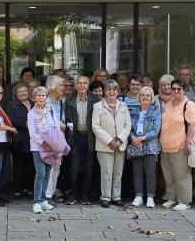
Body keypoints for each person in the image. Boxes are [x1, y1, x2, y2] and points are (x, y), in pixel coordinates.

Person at [159, 79, 195, 211]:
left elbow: (193, 125)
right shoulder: (168, 104)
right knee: (168, 175)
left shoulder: (189, 104)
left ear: (184, 90)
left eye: (179, 89)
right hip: (165, 145)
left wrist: (187, 143)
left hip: (181, 144)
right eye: (174, 88)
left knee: (182, 175)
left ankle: (184, 201)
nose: (176, 91)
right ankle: (172, 198)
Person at [92, 80, 130, 208]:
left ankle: (116, 197)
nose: (111, 91)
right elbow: (96, 126)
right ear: (104, 92)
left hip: (120, 145)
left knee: (118, 172)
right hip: (104, 145)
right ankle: (106, 197)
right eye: (108, 89)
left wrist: (119, 140)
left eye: (114, 89)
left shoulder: (123, 106)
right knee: (106, 172)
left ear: (118, 92)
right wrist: (110, 141)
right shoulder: (98, 106)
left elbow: (127, 125)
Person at [65, 75, 99, 205]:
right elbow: (66, 119)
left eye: (85, 83)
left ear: (88, 85)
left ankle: (85, 195)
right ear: (76, 85)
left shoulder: (95, 100)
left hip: (90, 137)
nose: (82, 85)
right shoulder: (69, 100)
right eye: (79, 83)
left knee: (89, 167)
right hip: (75, 137)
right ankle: (73, 194)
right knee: (73, 167)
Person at [129, 86, 161, 208]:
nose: (145, 97)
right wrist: (132, 137)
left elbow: (155, 130)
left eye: (148, 95)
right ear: (139, 97)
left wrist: (141, 138)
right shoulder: (134, 111)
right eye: (143, 95)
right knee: (137, 172)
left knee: (150, 172)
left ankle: (150, 197)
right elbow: (128, 127)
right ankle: (138, 196)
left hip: (150, 147)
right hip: (136, 146)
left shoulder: (155, 111)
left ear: (152, 98)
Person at [28, 86, 58, 213]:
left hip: (52, 147)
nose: (41, 98)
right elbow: (32, 133)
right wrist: (44, 142)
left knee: (47, 173)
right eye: (38, 95)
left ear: (46, 97)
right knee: (40, 173)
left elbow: (56, 127)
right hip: (38, 147)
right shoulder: (31, 113)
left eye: (43, 95)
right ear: (34, 98)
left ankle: (44, 200)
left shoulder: (51, 110)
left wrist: (53, 142)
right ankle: (37, 202)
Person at [6, 82, 34, 198]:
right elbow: (10, 120)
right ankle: (18, 188)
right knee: (18, 166)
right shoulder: (12, 105)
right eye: (20, 91)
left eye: (24, 90)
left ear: (28, 91)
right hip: (19, 139)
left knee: (30, 166)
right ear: (16, 94)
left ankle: (29, 188)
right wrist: (25, 123)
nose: (23, 93)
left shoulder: (34, 104)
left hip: (32, 140)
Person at [44, 75, 67, 202]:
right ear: (52, 87)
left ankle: (51, 192)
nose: (63, 88)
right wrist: (59, 124)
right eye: (60, 85)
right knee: (49, 167)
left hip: (60, 139)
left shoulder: (62, 102)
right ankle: (46, 195)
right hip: (49, 139)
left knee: (57, 166)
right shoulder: (45, 102)